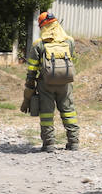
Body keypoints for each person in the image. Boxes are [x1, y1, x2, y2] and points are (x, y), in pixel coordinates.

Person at [21, 10, 78, 152]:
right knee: (68, 111)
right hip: (65, 83)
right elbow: (72, 60)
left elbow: (32, 69)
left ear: (43, 27)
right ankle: (74, 142)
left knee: (46, 113)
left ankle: (49, 144)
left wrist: (30, 85)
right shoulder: (69, 41)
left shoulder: (38, 44)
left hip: (45, 84)